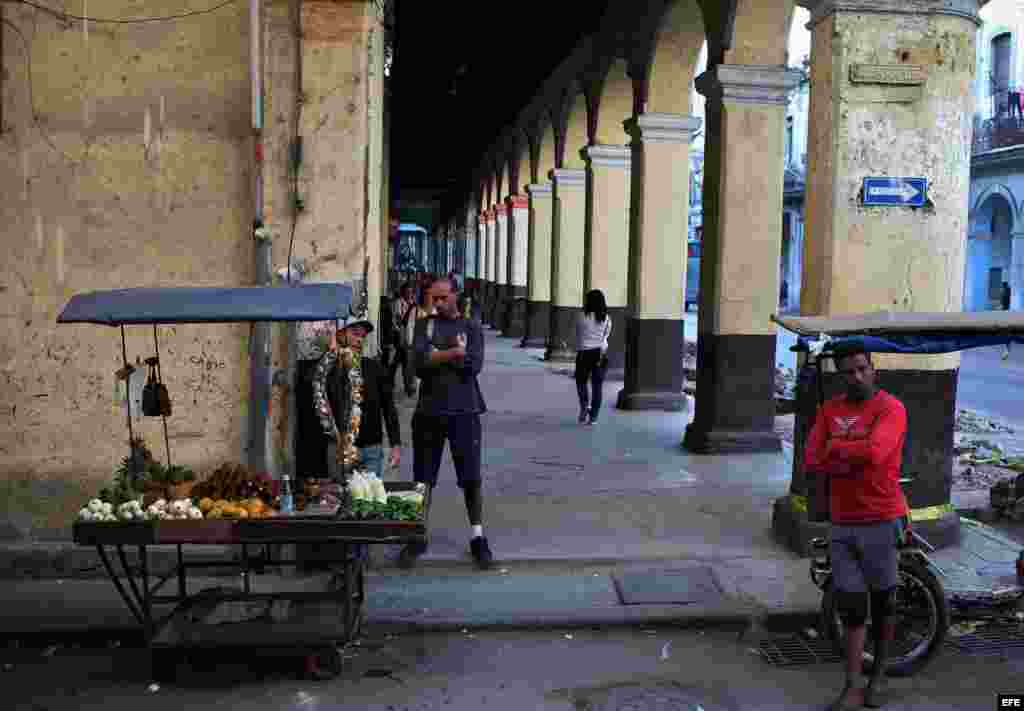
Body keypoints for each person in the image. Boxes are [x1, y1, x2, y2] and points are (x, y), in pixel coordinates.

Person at [804, 343, 909, 711]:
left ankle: (876, 680)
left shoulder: (890, 408)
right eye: (849, 371)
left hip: (881, 518)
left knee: (884, 606)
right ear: (840, 375)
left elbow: (878, 452)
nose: (857, 376)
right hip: (842, 521)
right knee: (851, 608)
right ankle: (851, 685)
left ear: (873, 368)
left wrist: (837, 446)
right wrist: (850, 449)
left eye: (863, 368)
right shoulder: (830, 409)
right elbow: (813, 456)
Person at [400, 276, 493, 570]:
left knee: (470, 477)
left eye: (443, 298)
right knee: (423, 478)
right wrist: (453, 353)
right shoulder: (423, 325)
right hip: (429, 411)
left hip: (465, 411)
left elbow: (473, 366)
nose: (438, 304)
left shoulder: (471, 327)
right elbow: (417, 365)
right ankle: (417, 535)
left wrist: (435, 356)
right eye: (433, 298)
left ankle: (478, 536)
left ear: (455, 296)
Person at [312, 319, 402, 481]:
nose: (359, 339)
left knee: (369, 501)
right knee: (340, 500)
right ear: (340, 335)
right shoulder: (329, 368)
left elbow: (388, 406)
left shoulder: (374, 368)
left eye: (363, 336)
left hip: (371, 449)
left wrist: (395, 444)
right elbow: (319, 395)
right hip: (340, 448)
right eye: (354, 334)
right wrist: (333, 355)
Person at [575, 289, 611, 425]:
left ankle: (584, 406)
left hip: (584, 353)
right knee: (597, 386)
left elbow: (578, 333)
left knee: (581, 382)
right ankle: (594, 416)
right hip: (599, 354)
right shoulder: (606, 318)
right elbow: (606, 335)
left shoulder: (581, 316)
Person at [390, 282, 417, 397]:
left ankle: (405, 386)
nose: (409, 294)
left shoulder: (412, 304)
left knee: (402, 361)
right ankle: (407, 387)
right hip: (399, 336)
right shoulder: (398, 303)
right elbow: (399, 320)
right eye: (408, 292)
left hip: (408, 338)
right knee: (402, 362)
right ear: (403, 292)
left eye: (411, 292)